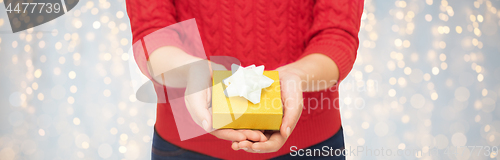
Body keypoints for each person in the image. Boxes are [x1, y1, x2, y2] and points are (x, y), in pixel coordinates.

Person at [126, 0, 363, 159]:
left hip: (309, 145)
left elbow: (337, 33)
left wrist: (297, 77)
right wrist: (192, 71)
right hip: (184, 145)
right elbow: (152, 30)